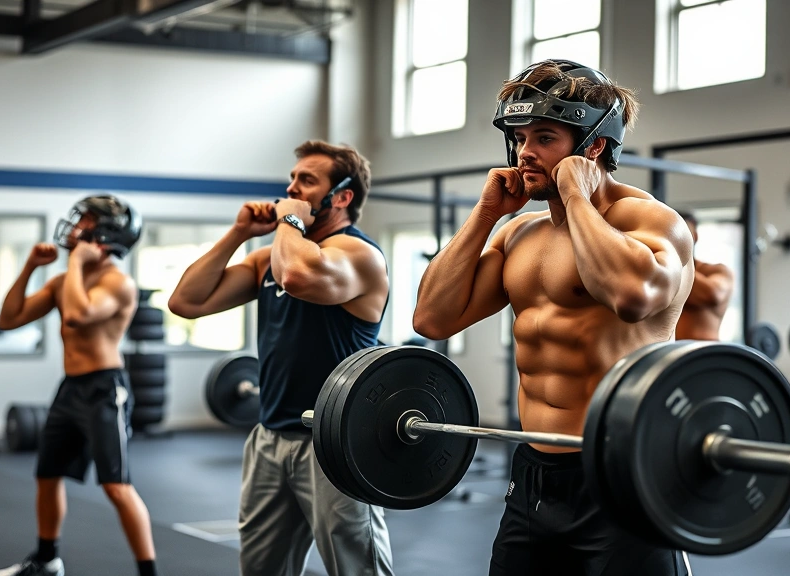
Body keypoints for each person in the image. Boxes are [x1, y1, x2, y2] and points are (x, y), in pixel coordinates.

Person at [412, 60, 695, 576]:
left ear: (594, 146)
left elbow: (631, 297)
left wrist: (576, 195)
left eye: (544, 137)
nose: (525, 153)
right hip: (534, 474)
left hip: (622, 471)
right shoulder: (518, 234)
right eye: (520, 137)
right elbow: (431, 318)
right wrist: (486, 214)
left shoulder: (652, 222)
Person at [167, 140, 394, 576]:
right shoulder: (267, 258)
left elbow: (297, 276)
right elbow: (185, 302)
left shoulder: (359, 255)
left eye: (306, 181)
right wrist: (238, 234)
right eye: (292, 179)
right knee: (260, 569)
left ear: (342, 196)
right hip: (270, 437)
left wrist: (289, 219)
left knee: (358, 568)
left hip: (335, 442)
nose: (291, 189)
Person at [0, 195, 159, 576]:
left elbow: (79, 314)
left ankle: (149, 573)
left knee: (116, 487)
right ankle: (47, 559)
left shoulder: (118, 283)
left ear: (106, 234)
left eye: (86, 221)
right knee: (47, 475)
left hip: (106, 391)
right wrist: (30, 268)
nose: (76, 226)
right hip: (70, 388)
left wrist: (75, 265)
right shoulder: (63, 282)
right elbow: (8, 319)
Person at [675, 211, 735, 341]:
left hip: (705, 356)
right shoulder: (661, 272)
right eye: (671, 231)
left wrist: (675, 264)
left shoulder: (717, 271)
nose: (675, 237)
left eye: (682, 231)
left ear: (694, 236)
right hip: (670, 355)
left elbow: (714, 294)